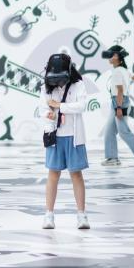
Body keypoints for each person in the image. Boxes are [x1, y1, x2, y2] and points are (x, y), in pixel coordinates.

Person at [40, 53, 90, 230]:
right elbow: (42, 108)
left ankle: (81, 215)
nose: (57, 81)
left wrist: (60, 106)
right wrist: (49, 114)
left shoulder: (78, 85)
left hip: (74, 136)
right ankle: (49, 215)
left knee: (76, 174)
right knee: (53, 174)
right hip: (55, 136)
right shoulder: (46, 87)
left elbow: (81, 106)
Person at [100, 44, 134, 167]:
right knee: (109, 131)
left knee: (123, 131)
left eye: (111, 55)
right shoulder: (123, 69)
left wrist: (118, 108)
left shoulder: (117, 72)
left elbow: (120, 91)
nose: (109, 57)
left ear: (116, 56)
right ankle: (112, 158)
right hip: (119, 102)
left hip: (119, 102)